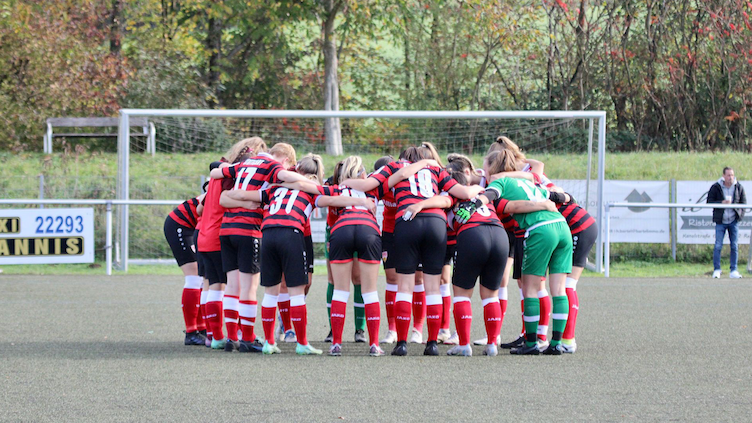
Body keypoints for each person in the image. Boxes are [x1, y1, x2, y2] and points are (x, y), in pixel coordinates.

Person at [708, 167, 746, 279]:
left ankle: (733, 270)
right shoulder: (716, 187)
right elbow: (709, 201)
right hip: (721, 221)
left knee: (734, 246)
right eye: (728, 175)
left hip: (733, 221)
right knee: (718, 245)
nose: (731, 177)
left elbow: (744, 203)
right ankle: (717, 270)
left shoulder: (739, 187)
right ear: (723, 176)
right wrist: (721, 202)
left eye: (732, 175)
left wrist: (739, 216)